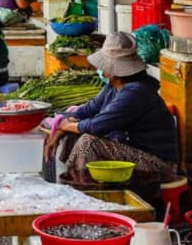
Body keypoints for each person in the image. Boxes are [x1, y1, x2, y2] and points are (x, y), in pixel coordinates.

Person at [43, 31, 179, 186]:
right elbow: (86, 111)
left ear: (110, 70)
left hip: (157, 164)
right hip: (129, 150)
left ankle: (83, 192)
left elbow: (96, 126)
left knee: (89, 142)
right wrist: (60, 131)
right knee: (72, 135)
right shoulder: (114, 87)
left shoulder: (135, 92)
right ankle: (76, 183)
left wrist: (65, 125)